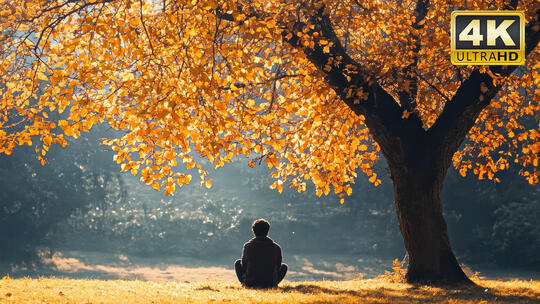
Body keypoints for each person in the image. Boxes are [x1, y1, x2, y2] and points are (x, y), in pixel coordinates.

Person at [234, 218, 287, 288]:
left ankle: (244, 284)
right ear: (267, 232)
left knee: (238, 263)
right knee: (284, 267)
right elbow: (278, 267)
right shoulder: (276, 247)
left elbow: (244, 266)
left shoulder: (248, 246)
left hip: (250, 282)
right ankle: (274, 284)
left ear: (253, 232)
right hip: (269, 283)